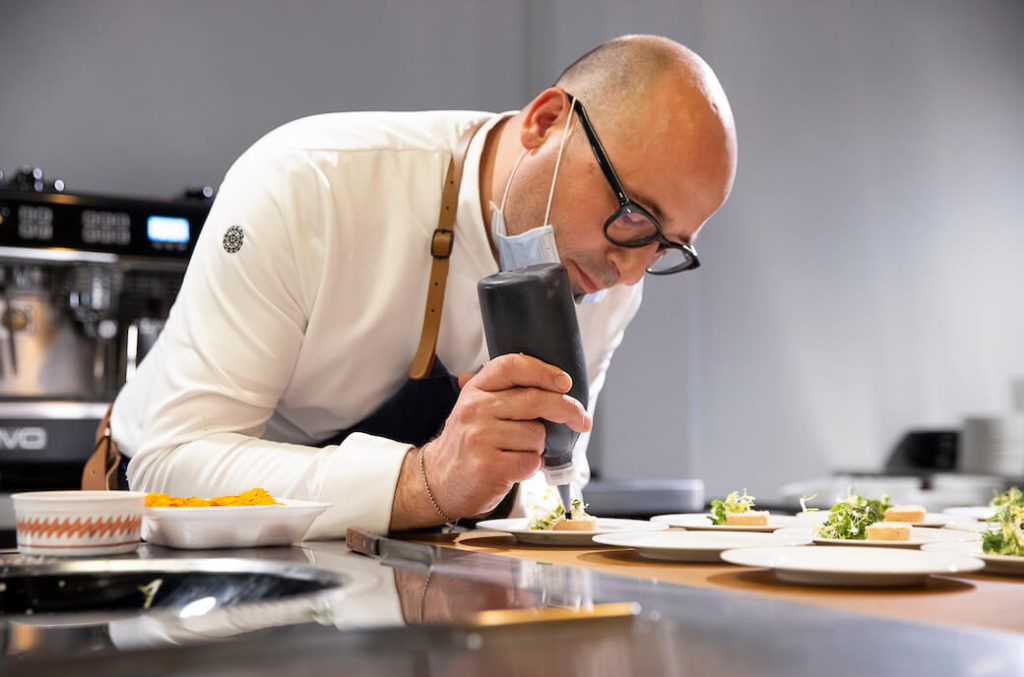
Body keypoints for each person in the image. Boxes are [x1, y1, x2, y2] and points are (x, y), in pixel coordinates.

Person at [109, 34, 737, 537]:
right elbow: (171, 465)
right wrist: (425, 481)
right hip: (172, 545)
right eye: (632, 212)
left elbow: (554, 479)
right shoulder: (307, 185)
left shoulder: (609, 272)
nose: (629, 272)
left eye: (667, 244)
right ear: (546, 123)